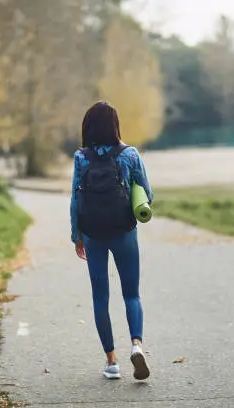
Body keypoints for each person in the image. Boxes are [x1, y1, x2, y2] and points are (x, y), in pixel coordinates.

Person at [69, 101, 153, 381]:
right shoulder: (129, 154)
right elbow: (147, 196)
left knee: (100, 297)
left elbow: (75, 200)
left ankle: (112, 361)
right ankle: (137, 345)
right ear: (115, 126)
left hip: (93, 233)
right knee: (131, 293)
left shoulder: (81, 158)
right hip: (124, 231)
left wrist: (76, 235)